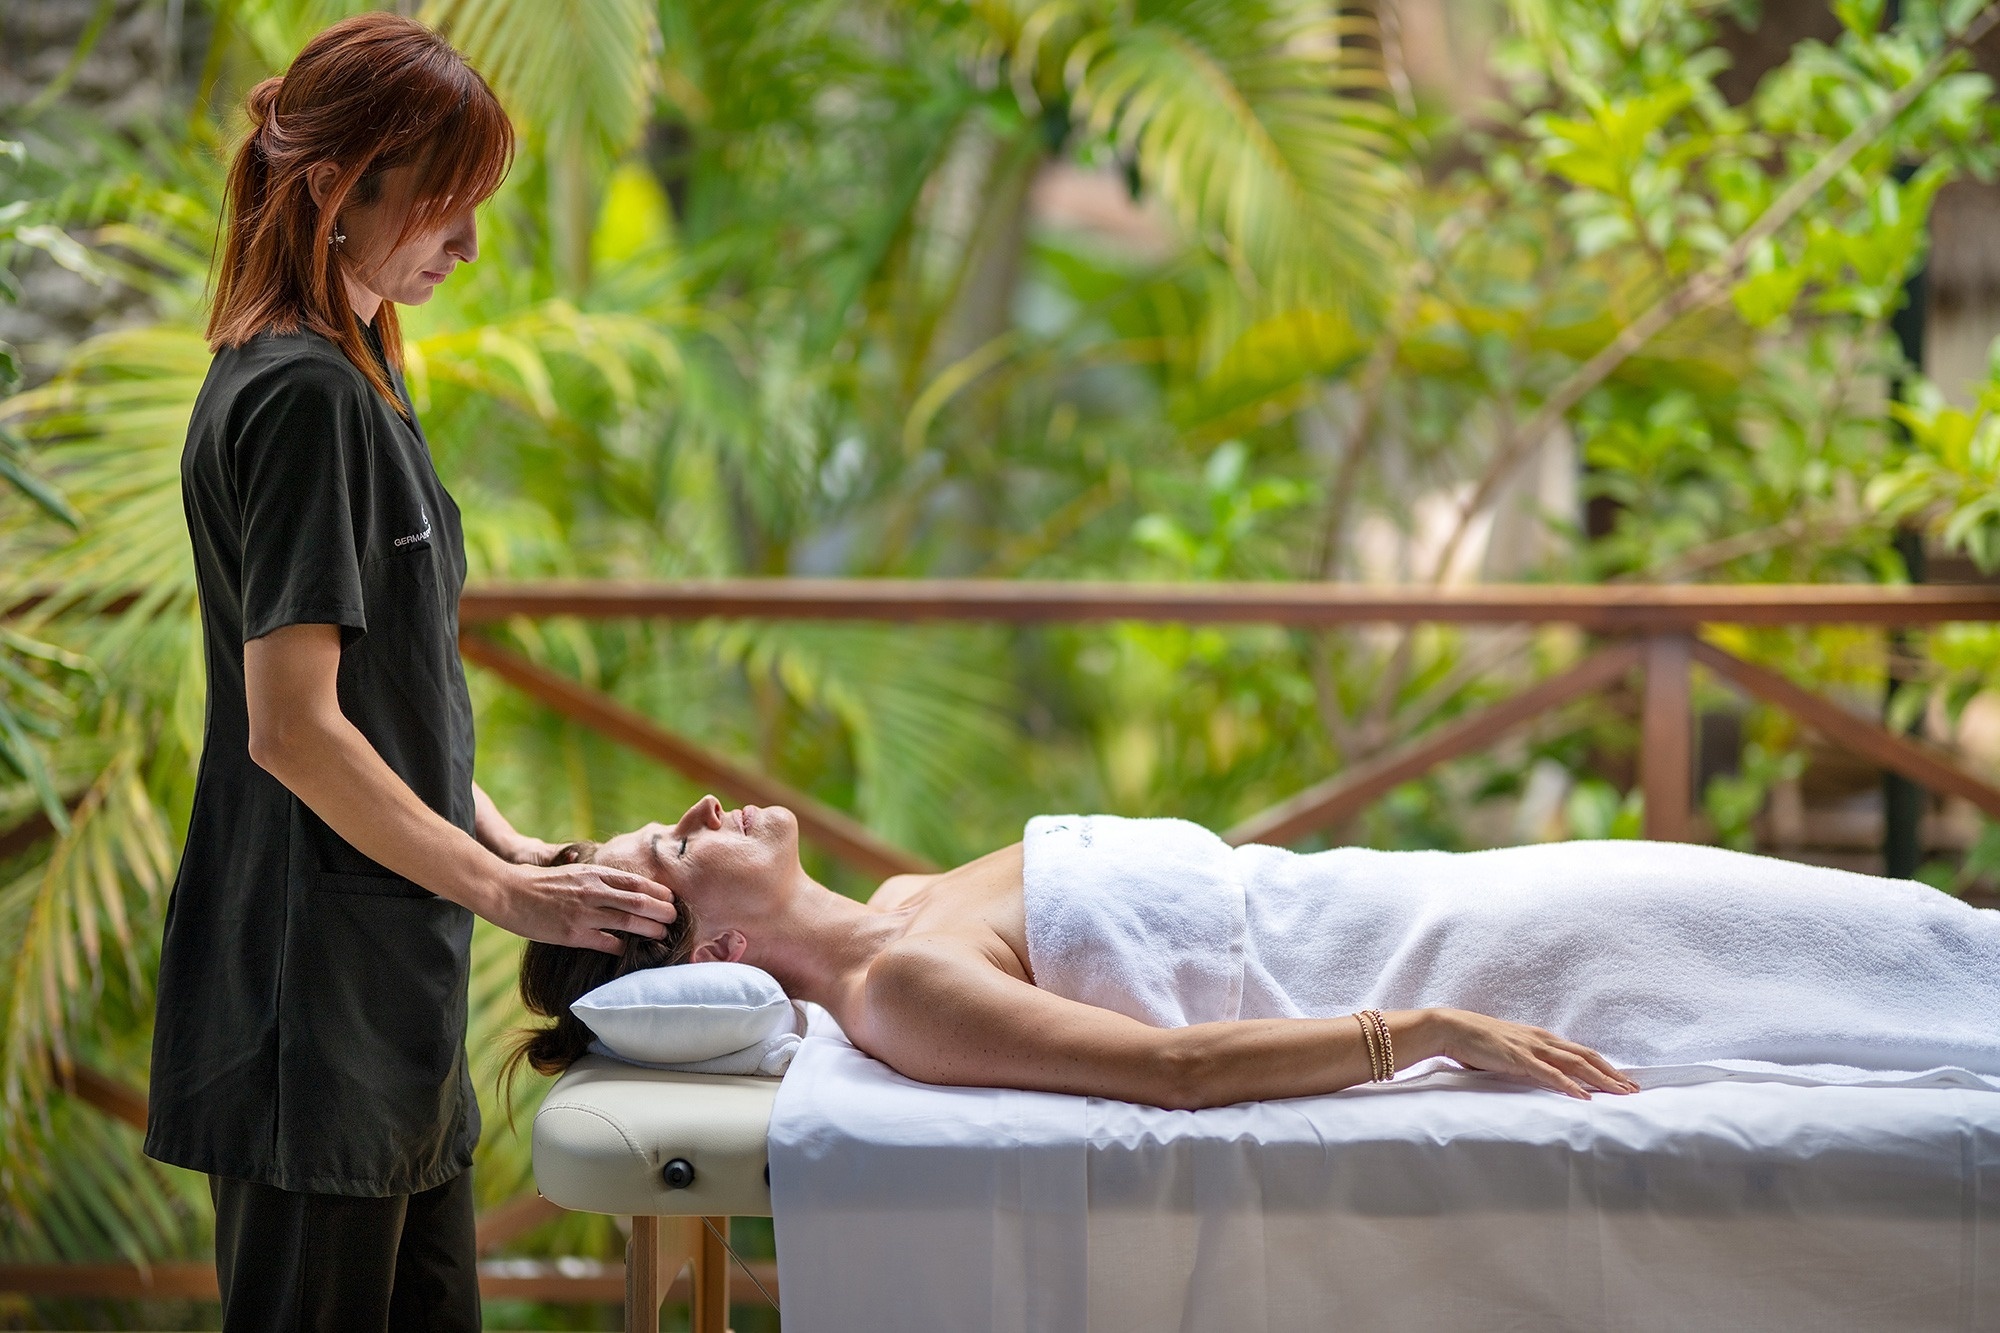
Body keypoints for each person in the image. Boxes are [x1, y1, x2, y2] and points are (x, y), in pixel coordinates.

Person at [143, 16, 677, 1333]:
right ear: (341, 187)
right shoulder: (302, 397)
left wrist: (522, 851)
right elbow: (294, 730)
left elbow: (398, 703)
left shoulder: (365, 375)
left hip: (390, 988)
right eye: (447, 208)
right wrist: (502, 889)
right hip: (312, 997)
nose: (469, 248)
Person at [514, 795, 2000, 1110]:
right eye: (670, 844)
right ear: (715, 936)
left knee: (1890, 937)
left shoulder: (903, 900)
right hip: (1466, 954)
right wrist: (1422, 1027)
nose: (698, 808)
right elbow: (1174, 1069)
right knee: (1857, 964)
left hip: (1422, 892)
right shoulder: (902, 989)